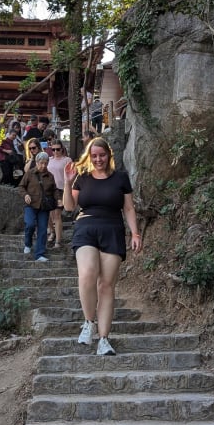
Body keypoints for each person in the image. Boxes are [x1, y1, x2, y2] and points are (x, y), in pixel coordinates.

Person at [63, 137, 142, 355]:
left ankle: (104, 339)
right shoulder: (83, 178)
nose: (98, 159)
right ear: (90, 156)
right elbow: (69, 207)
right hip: (86, 227)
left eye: (102, 155)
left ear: (109, 155)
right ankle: (89, 322)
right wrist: (68, 182)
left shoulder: (121, 178)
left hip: (112, 229)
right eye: (94, 155)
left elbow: (128, 208)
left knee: (106, 285)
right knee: (87, 273)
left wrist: (134, 232)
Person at [18, 151, 60, 262]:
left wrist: (58, 199)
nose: (43, 166)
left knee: (42, 229)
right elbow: (21, 187)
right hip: (31, 204)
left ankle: (39, 254)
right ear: (37, 162)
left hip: (44, 207)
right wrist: (25, 195)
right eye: (41, 163)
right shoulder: (30, 173)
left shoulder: (50, 176)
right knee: (30, 224)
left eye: (46, 163)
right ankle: (28, 243)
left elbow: (54, 189)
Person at [47, 140, 72, 247]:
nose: (55, 151)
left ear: (62, 149)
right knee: (48, 214)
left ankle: (58, 240)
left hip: (61, 190)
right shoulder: (48, 159)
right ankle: (52, 232)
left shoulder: (67, 160)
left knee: (57, 215)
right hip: (48, 189)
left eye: (57, 149)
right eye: (53, 149)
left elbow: (71, 175)